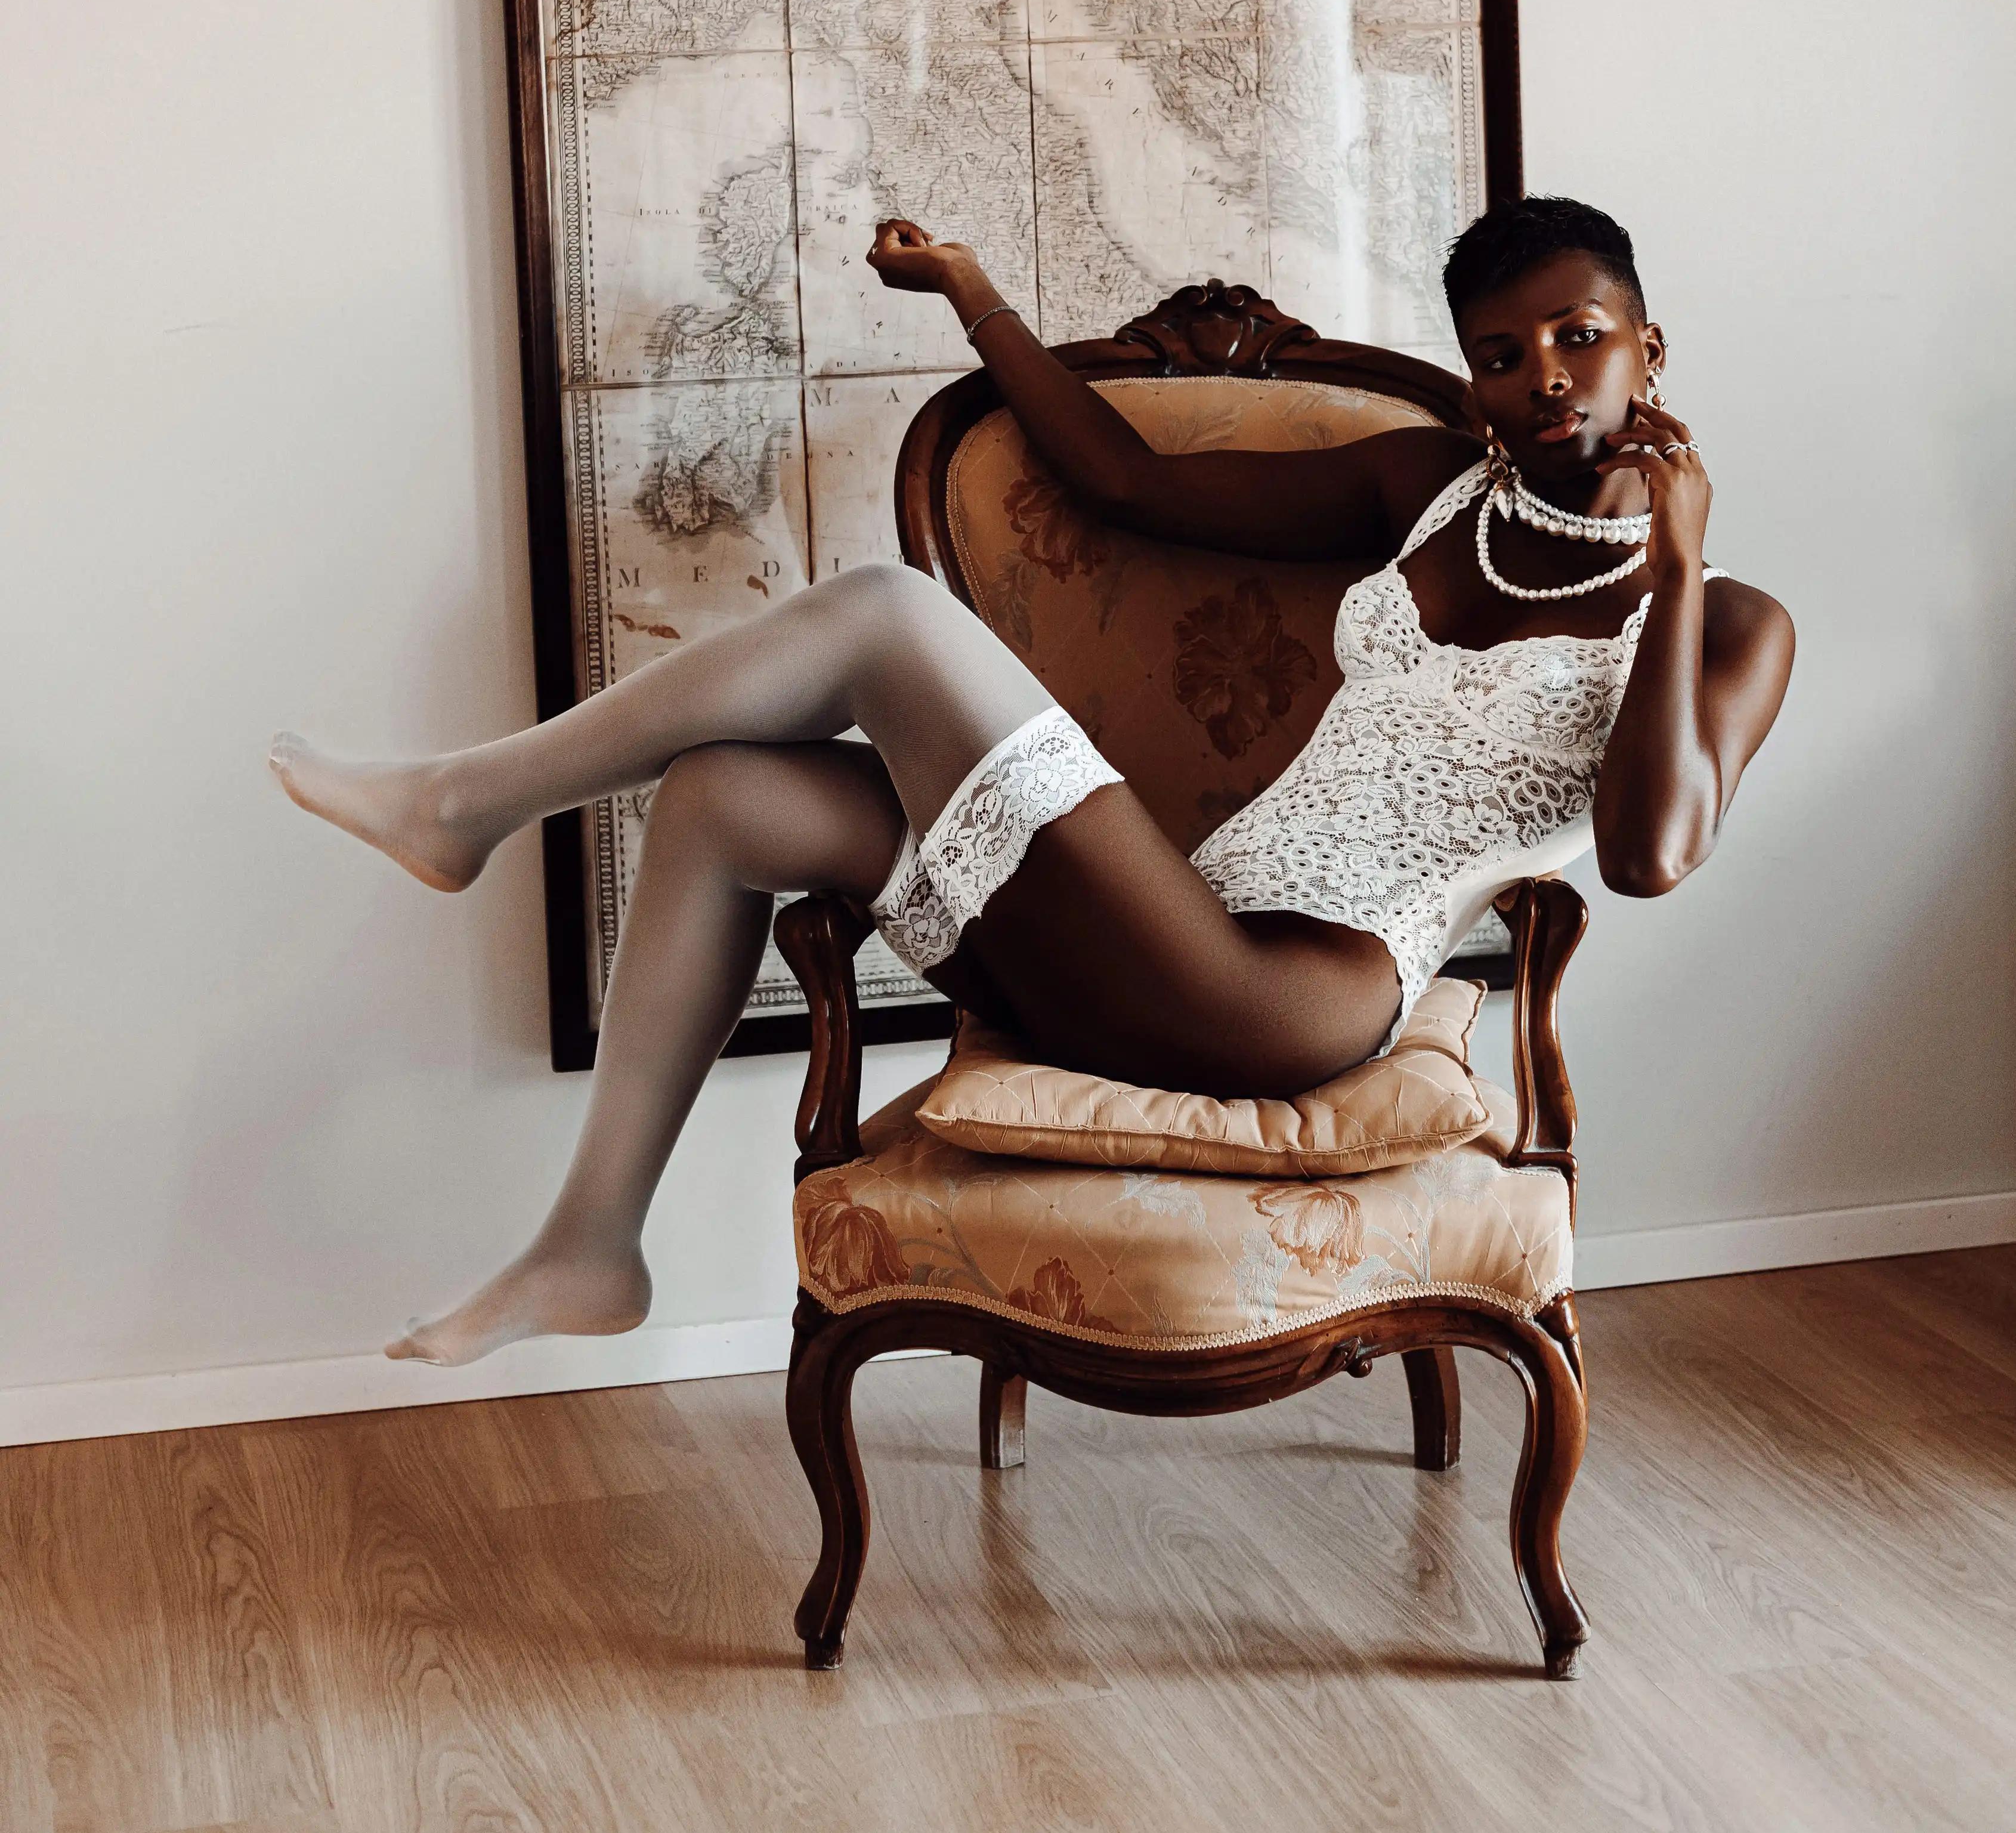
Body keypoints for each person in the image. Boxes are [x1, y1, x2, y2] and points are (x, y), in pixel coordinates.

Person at [271, 194, 1793, 1365]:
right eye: (1502, 352)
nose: (1546, 379)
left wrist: (1676, 558)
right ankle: (590, 1243)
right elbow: (1130, 482)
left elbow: (1652, 852)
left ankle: (465, 804)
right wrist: (977, 296)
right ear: (1468, 383)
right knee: (726, 796)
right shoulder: (1426, 489)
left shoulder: (1728, 625)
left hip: (1298, 999)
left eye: (1580, 336)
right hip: (1177, 932)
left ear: (1647, 349)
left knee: (879, 612)